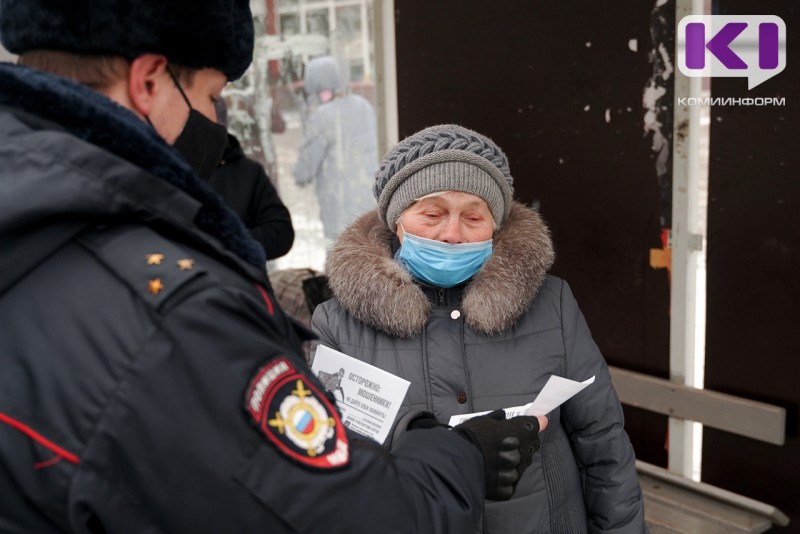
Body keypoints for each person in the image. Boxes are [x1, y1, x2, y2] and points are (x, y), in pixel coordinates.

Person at [0, 2, 547, 533]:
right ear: (147, 82)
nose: (215, 119)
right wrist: (457, 456)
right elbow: (350, 516)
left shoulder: (35, 235)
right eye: (212, 95)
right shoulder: (178, 313)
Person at [312, 124, 649, 533]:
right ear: (397, 222)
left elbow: (604, 443)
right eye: (432, 214)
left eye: (473, 216)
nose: (452, 234)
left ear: (496, 225)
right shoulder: (338, 324)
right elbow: (328, 467)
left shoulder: (552, 305)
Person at [292, 55, 378, 245]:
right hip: (369, 201)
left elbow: (304, 170)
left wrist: (296, 173)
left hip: (338, 207)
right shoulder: (364, 106)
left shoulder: (322, 117)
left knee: (340, 260)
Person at [212, 98, 295, 260]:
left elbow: (281, 234)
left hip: (236, 281)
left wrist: (230, 241)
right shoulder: (167, 170)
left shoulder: (247, 173)